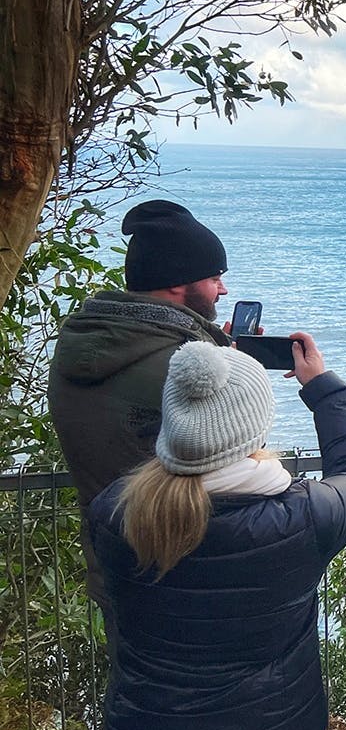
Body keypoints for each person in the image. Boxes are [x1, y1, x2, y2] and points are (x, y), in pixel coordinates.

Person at [86, 334, 346, 730]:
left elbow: (184, 452)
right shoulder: (301, 519)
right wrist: (323, 388)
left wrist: (213, 387)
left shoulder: (115, 514)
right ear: (256, 428)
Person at [48, 200, 233, 626]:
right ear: (176, 284)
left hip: (113, 565)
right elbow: (236, 454)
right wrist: (232, 371)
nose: (221, 289)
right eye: (214, 277)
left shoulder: (78, 348)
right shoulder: (180, 367)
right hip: (188, 575)